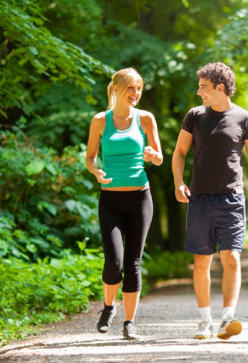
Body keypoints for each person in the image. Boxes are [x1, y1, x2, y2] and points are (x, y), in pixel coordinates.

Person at [172, 62, 248, 340]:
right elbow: (179, 153)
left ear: (219, 88)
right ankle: (205, 321)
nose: (199, 92)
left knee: (232, 258)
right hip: (200, 198)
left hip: (232, 198)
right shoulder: (194, 116)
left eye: (203, 87)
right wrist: (179, 182)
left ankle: (227, 318)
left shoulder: (244, 118)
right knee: (201, 260)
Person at [86, 68, 163, 340]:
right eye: (131, 88)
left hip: (140, 197)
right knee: (113, 261)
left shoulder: (145, 119)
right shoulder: (99, 121)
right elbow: (91, 158)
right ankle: (108, 307)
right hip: (110, 200)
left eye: (139, 89)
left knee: (133, 262)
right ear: (116, 89)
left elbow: (159, 157)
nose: (136, 93)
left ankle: (130, 322)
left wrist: (153, 155)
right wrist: (96, 171)